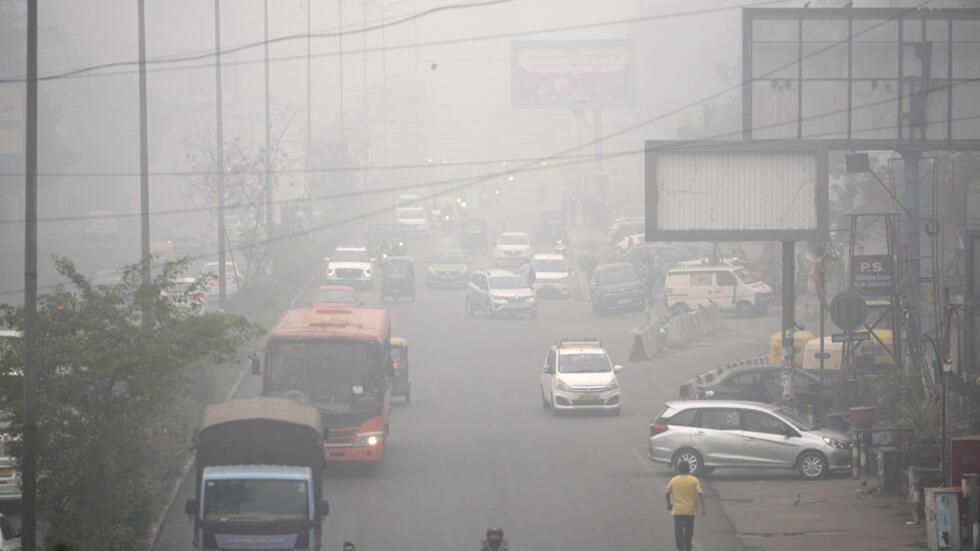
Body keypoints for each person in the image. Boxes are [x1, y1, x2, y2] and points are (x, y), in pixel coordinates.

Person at [665, 460, 706, 551]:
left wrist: (669, 504)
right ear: (689, 469)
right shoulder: (694, 480)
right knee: (689, 530)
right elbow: (700, 494)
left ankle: (680, 547)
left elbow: (667, 493)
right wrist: (703, 508)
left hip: (678, 510)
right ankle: (688, 546)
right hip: (690, 511)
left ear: (679, 470)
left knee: (678, 531)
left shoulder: (674, 480)